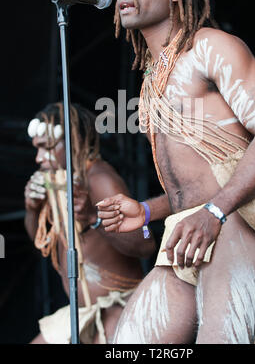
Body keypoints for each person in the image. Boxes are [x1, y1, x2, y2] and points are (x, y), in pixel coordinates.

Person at [97, 0, 255, 344]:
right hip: (187, 230)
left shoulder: (209, 46)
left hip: (235, 221)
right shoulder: (153, 83)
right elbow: (194, 189)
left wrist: (216, 213)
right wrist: (144, 209)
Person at [24, 102, 156, 344]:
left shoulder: (99, 178)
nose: (39, 158)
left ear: (73, 141)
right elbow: (40, 245)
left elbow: (145, 244)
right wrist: (32, 210)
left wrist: (94, 218)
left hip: (121, 304)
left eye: (47, 148)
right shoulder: (58, 183)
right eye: (37, 149)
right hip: (81, 312)